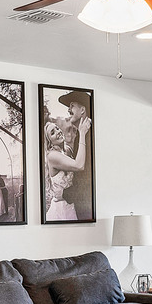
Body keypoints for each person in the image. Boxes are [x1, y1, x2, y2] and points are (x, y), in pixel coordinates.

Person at [44, 91, 91, 221]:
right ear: (49, 141)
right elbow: (79, 166)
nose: (58, 132)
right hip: (62, 208)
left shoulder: (68, 150)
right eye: (52, 133)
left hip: (75, 205)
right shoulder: (52, 156)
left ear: (82, 110)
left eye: (57, 129)